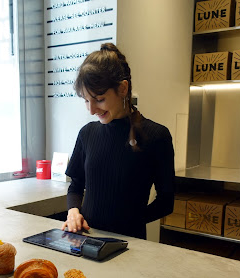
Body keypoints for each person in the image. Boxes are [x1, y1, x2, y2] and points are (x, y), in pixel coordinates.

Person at [61, 43, 175, 240]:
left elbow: (166, 201)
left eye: (99, 99)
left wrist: (131, 223)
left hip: (129, 245)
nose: (92, 110)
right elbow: (76, 184)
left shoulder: (157, 136)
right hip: (86, 240)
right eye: (86, 100)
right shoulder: (87, 134)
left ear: (123, 88)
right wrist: (73, 211)